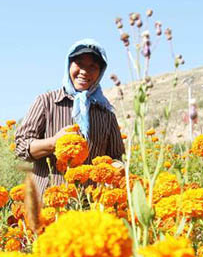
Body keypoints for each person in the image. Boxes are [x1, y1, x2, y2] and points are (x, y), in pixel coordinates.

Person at [14, 38, 125, 197]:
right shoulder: (46, 102)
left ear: (100, 72)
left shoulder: (106, 113)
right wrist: (53, 142)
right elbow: (21, 147)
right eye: (79, 64)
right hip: (48, 204)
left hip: (89, 206)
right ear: (69, 65)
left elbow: (116, 157)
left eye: (92, 66)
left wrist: (113, 169)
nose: (84, 71)